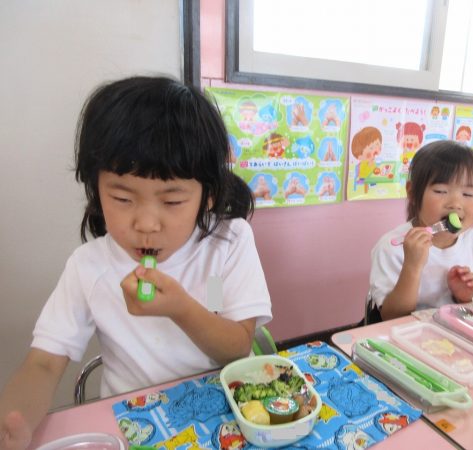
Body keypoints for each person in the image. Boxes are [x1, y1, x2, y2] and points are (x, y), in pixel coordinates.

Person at [0, 76, 272, 449]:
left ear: (208, 195)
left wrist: (181, 308)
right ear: (96, 191)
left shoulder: (226, 244)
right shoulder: (89, 266)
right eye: (123, 199)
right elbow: (44, 364)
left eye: (172, 201)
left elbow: (237, 346)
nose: (145, 224)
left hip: (221, 419)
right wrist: (13, 423)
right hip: (134, 425)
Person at [368, 140, 473, 321]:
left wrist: (466, 295)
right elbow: (391, 316)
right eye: (441, 191)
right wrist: (412, 266)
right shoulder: (392, 247)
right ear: (412, 193)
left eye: (468, 194)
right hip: (406, 333)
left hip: (454, 331)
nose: (455, 204)